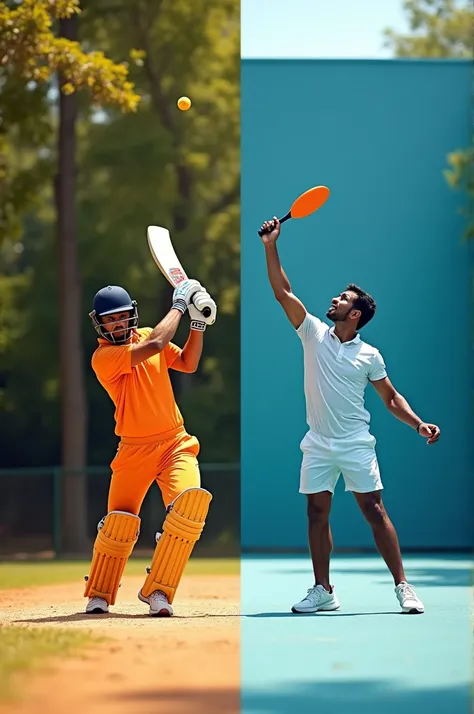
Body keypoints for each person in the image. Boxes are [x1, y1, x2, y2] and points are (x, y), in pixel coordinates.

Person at [259, 217, 440, 615]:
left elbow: (390, 398)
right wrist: (271, 245)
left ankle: (404, 588)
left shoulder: (369, 355)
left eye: (343, 299)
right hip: (317, 443)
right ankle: (323, 590)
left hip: (356, 443)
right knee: (315, 512)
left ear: (355, 314)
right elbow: (282, 292)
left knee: (374, 510)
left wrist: (418, 423)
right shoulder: (312, 332)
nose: (336, 300)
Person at [83, 278, 217, 617]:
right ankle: (99, 593)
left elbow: (188, 363)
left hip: (175, 443)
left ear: (132, 314)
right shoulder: (105, 357)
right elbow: (157, 343)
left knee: (188, 508)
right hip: (133, 450)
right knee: (119, 524)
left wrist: (197, 323)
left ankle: (159, 591)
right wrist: (179, 304)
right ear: (99, 323)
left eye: (121, 315)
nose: (117, 323)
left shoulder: (146, 334)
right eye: (109, 318)